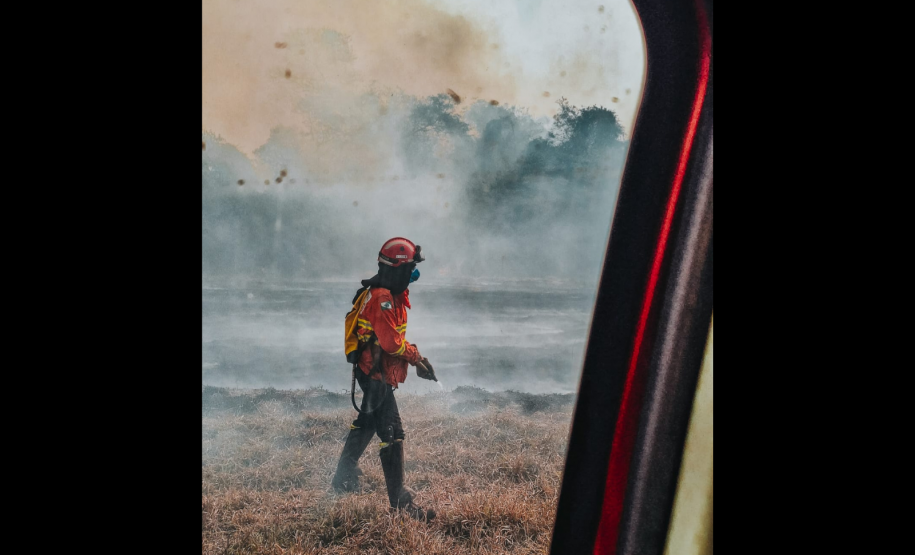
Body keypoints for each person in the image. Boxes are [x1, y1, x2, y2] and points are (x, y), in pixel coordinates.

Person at [331, 237, 437, 521]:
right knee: (392, 432)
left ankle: (343, 476)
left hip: (374, 371)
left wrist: (415, 357)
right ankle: (401, 503)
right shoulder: (382, 298)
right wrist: (415, 358)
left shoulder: (388, 293)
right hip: (376, 373)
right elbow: (391, 344)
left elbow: (392, 338)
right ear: (398, 270)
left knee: (367, 422)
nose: (413, 276)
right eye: (410, 270)